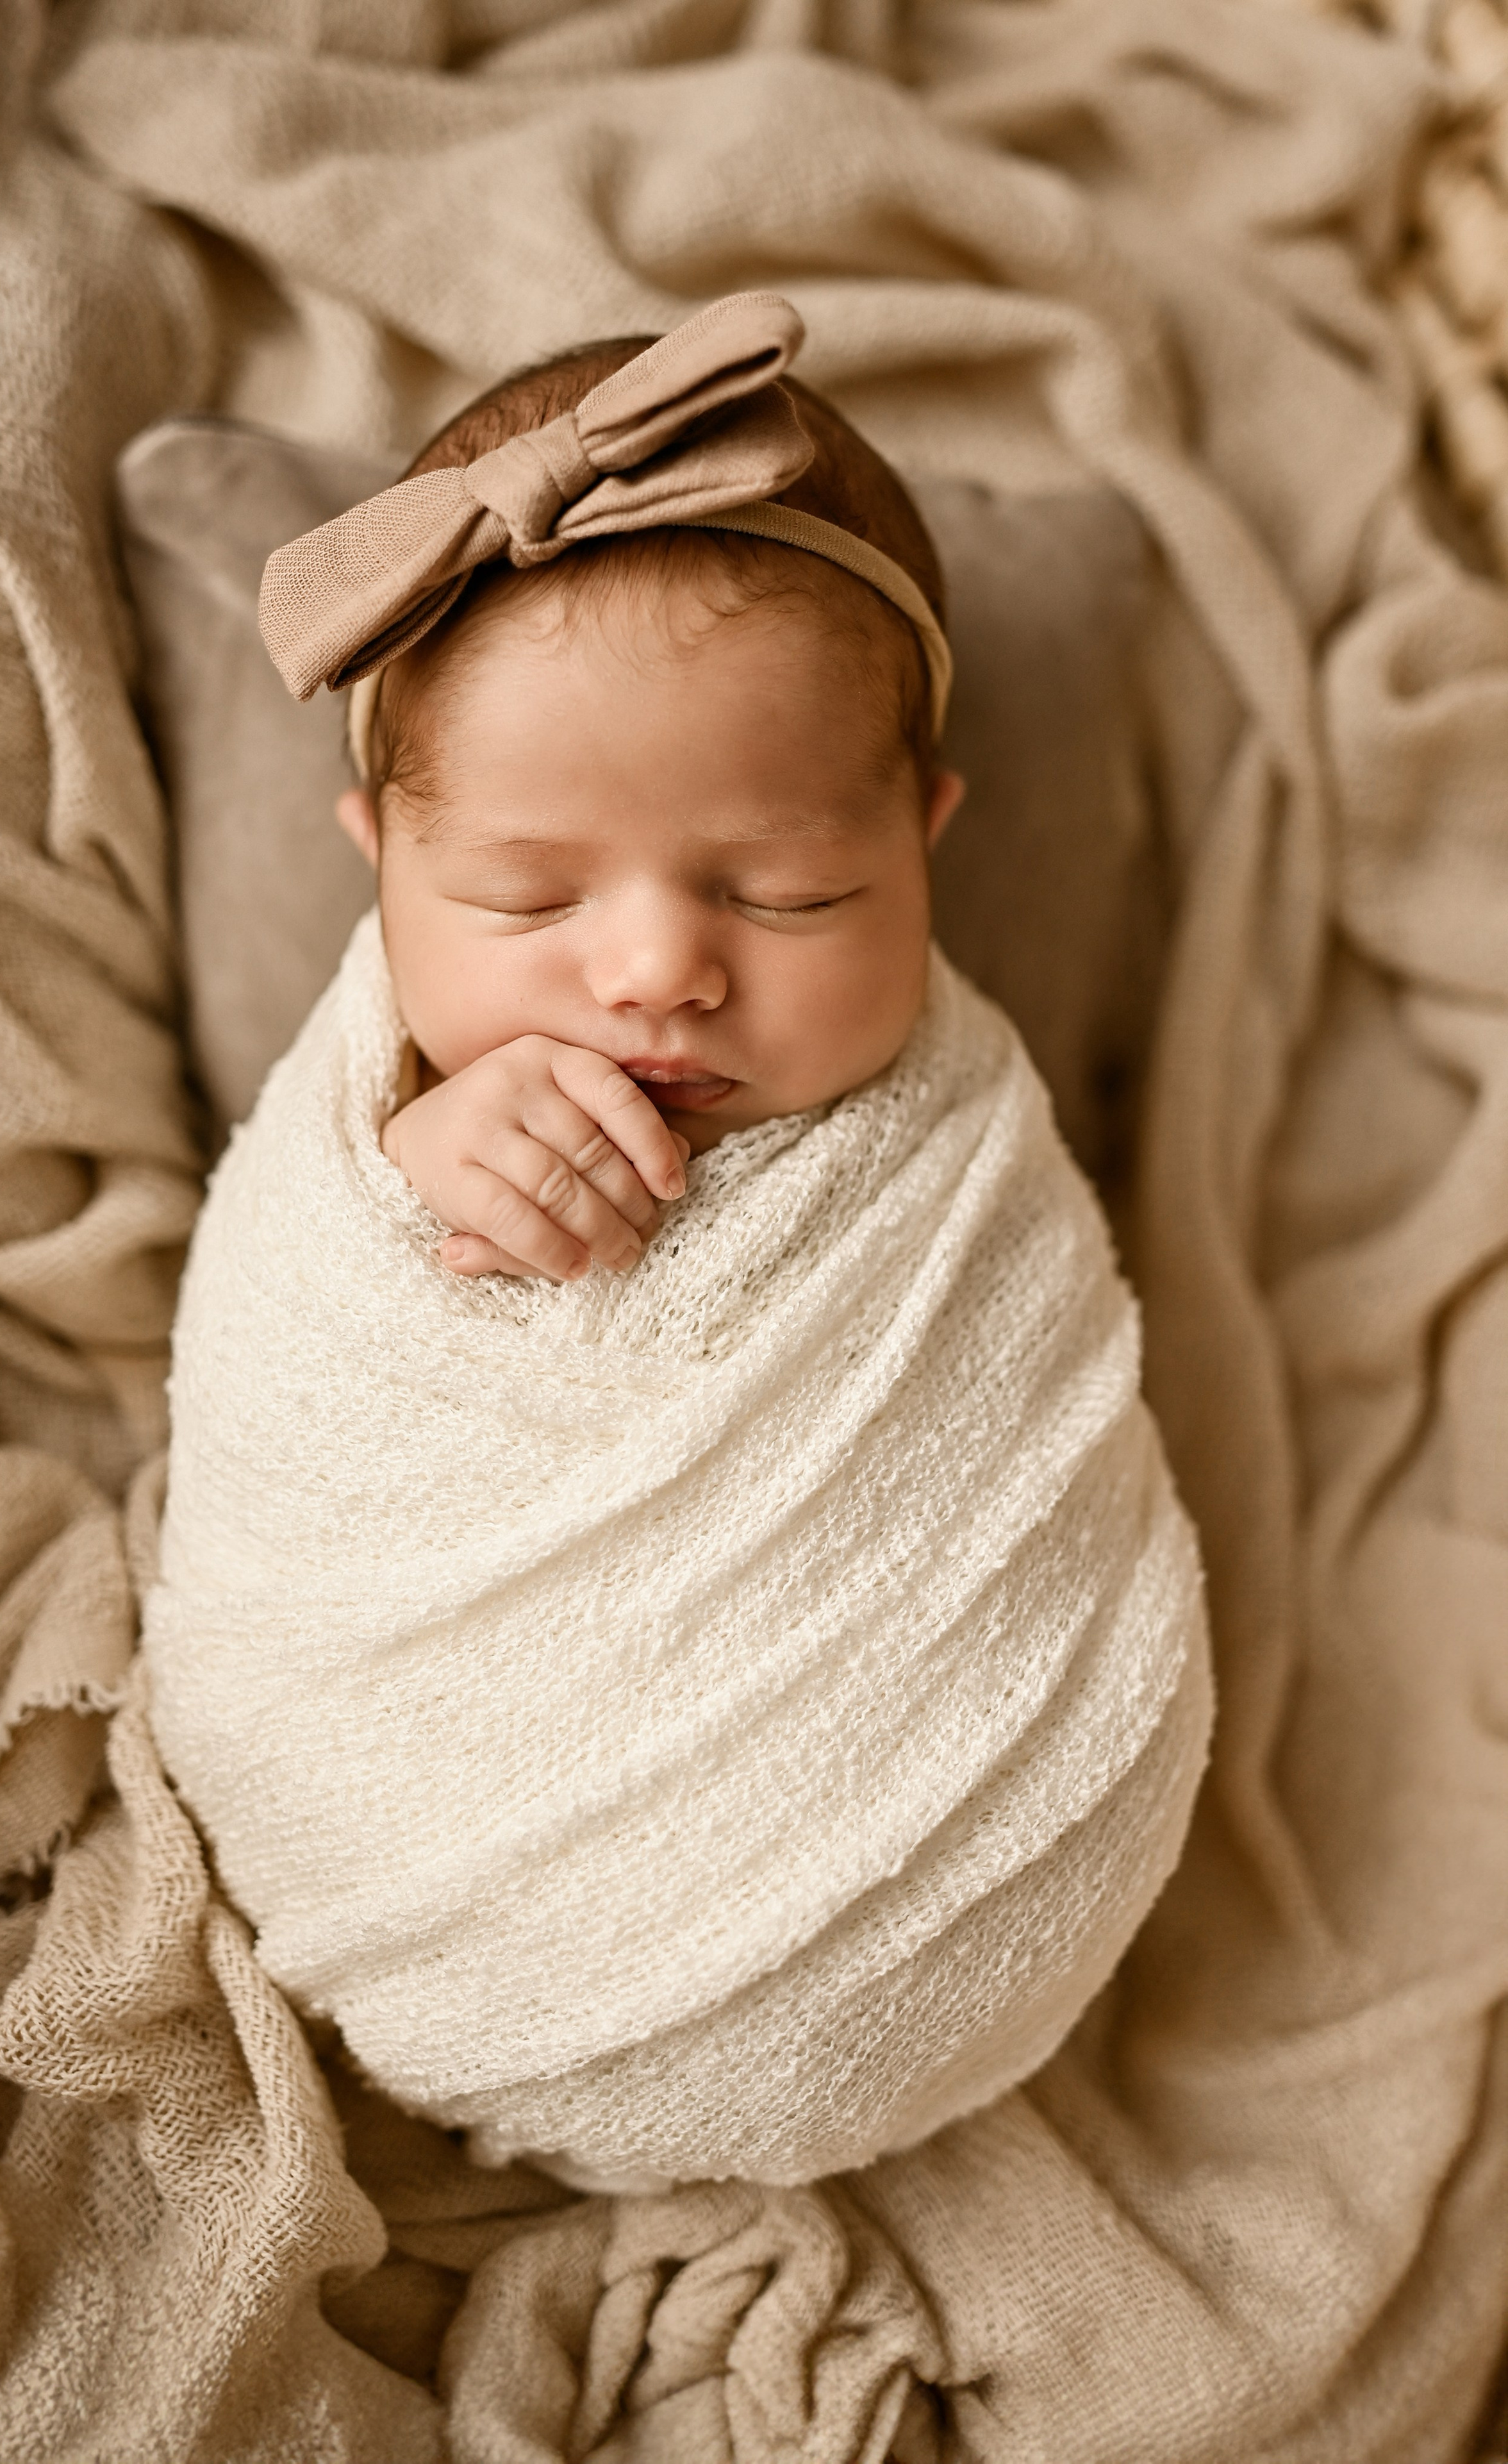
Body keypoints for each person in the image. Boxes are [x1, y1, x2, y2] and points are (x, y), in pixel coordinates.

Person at [144, 294, 1211, 2192]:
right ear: (378, 861)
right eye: (522, 894)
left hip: (945, 1880)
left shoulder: (948, 1127)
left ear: (927, 842)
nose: (655, 972)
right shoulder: (386, 1103)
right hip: (440, 1865)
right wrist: (403, 1176)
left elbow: (1018, 1389)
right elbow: (298, 1335)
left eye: (789, 890)